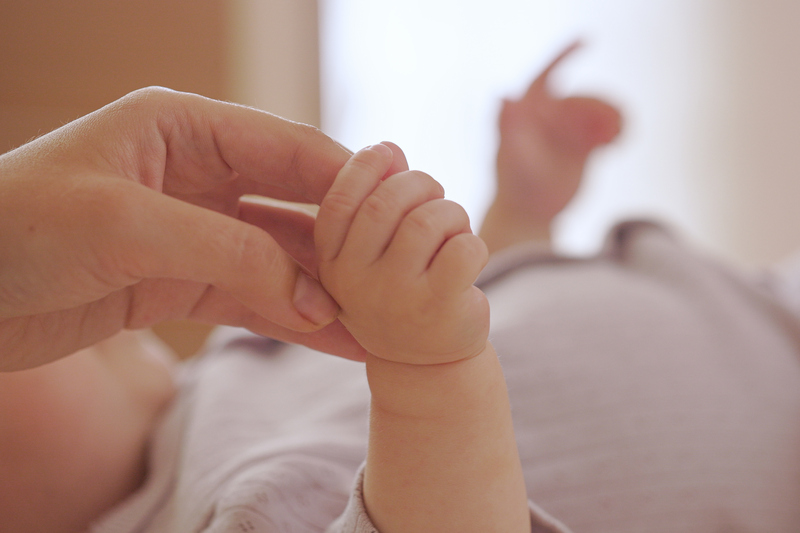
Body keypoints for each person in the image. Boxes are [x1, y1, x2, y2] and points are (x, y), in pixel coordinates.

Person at [4, 44, 800, 533]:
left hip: (762, 300)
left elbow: (493, 328)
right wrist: (428, 372)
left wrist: (516, 218)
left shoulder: (230, 367)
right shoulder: (223, 509)